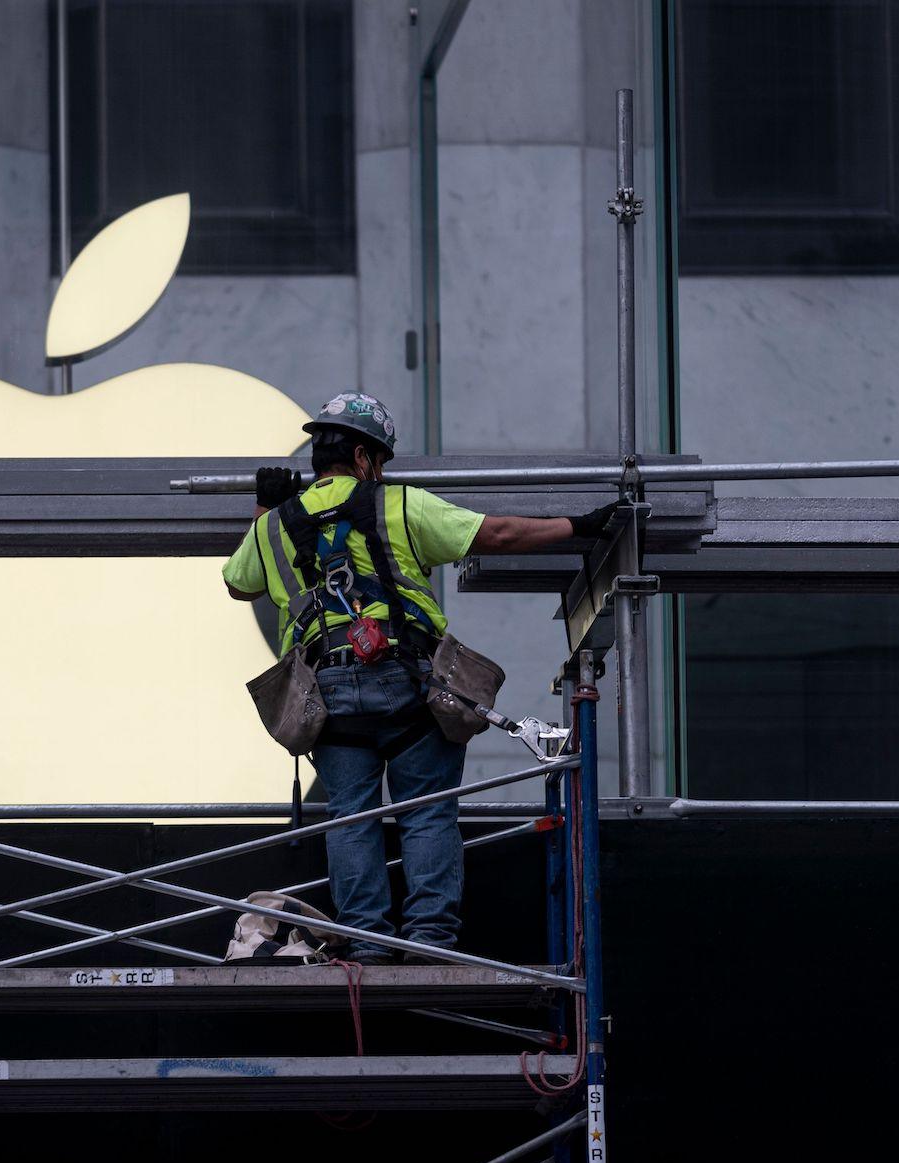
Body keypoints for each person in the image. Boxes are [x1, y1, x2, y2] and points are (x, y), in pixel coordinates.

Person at [221, 392, 616, 963]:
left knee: (352, 816)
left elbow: (239, 583)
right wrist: (579, 525)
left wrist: (265, 510)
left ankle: (369, 944)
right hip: (407, 684)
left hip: (325, 696)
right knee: (427, 809)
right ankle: (429, 939)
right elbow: (498, 535)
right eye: (377, 462)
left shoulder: (276, 526)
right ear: (363, 458)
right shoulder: (398, 506)